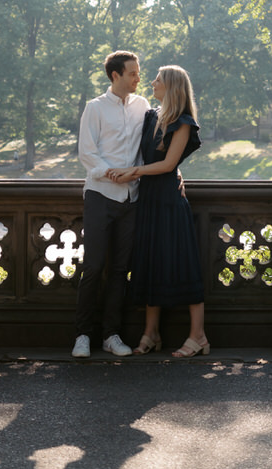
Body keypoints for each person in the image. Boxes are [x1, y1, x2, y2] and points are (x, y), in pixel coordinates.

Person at [111, 64, 208, 358]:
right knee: (150, 265)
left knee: (183, 265)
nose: (151, 82)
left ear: (172, 86)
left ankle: (198, 336)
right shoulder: (151, 116)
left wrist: (134, 172)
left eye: (157, 79)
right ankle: (151, 333)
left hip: (168, 203)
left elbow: (168, 165)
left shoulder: (184, 121)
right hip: (148, 200)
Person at [73, 50, 150, 358]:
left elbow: (150, 148)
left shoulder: (143, 106)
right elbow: (86, 152)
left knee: (120, 270)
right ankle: (82, 335)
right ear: (115, 75)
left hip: (131, 197)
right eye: (132, 73)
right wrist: (109, 172)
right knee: (93, 267)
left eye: (138, 72)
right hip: (100, 195)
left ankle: (111, 335)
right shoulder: (95, 108)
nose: (137, 78)